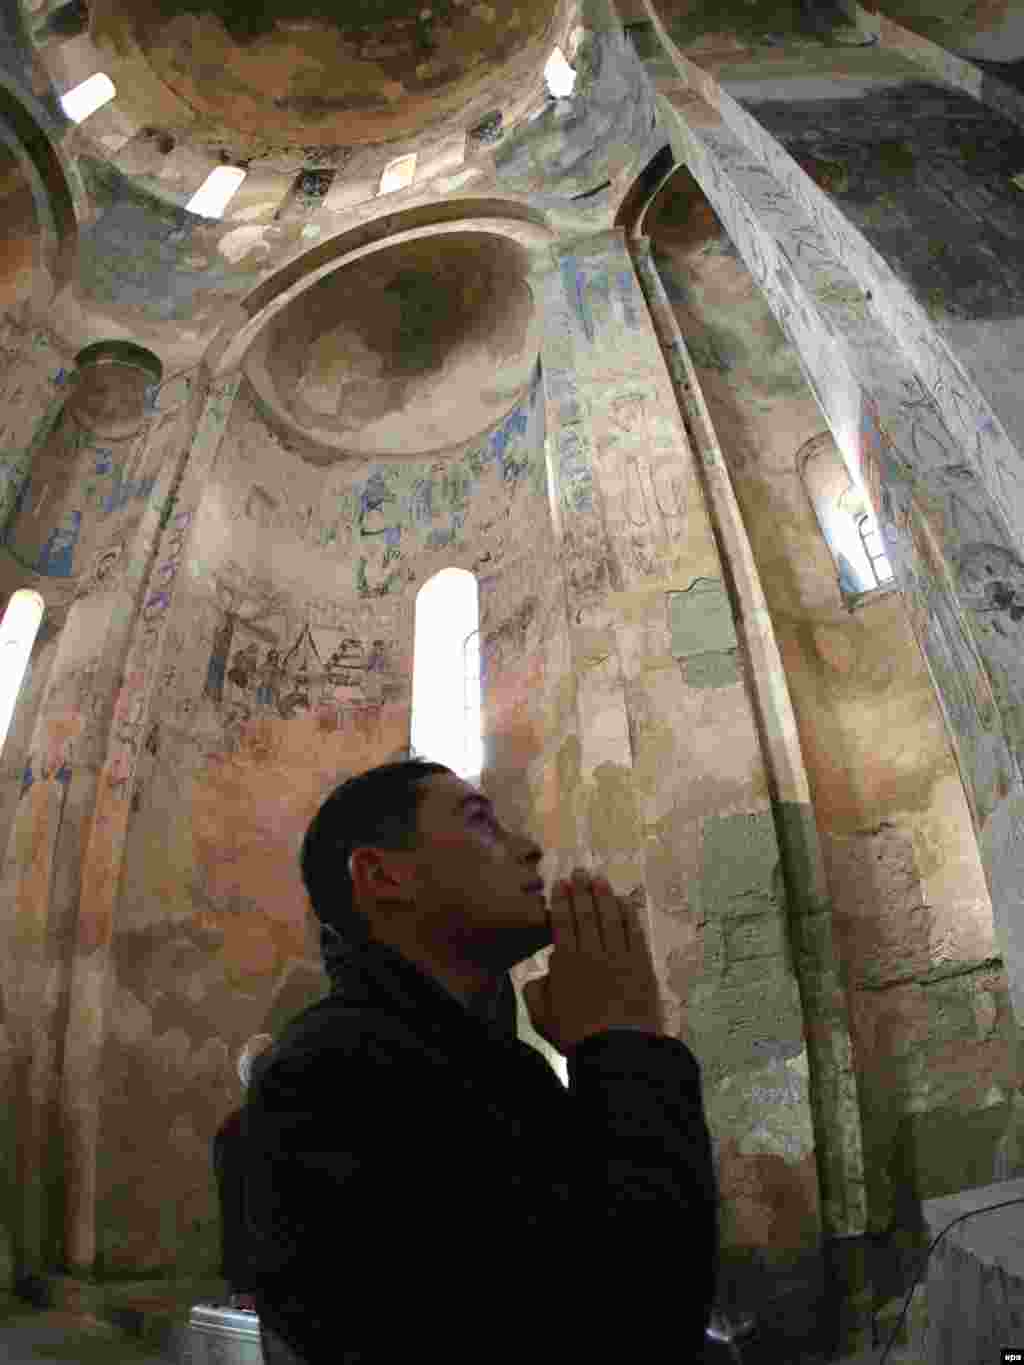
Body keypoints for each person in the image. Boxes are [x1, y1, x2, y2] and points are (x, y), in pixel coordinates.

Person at [242, 759, 719, 1364]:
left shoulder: (508, 1068)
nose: (530, 849)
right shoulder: (329, 1075)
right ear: (382, 874)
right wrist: (624, 1047)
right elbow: (627, 1328)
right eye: (480, 823)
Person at [212, 1034, 274, 1313]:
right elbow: (235, 1207)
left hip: (250, 1271)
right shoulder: (244, 1128)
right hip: (262, 1269)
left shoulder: (232, 1127)